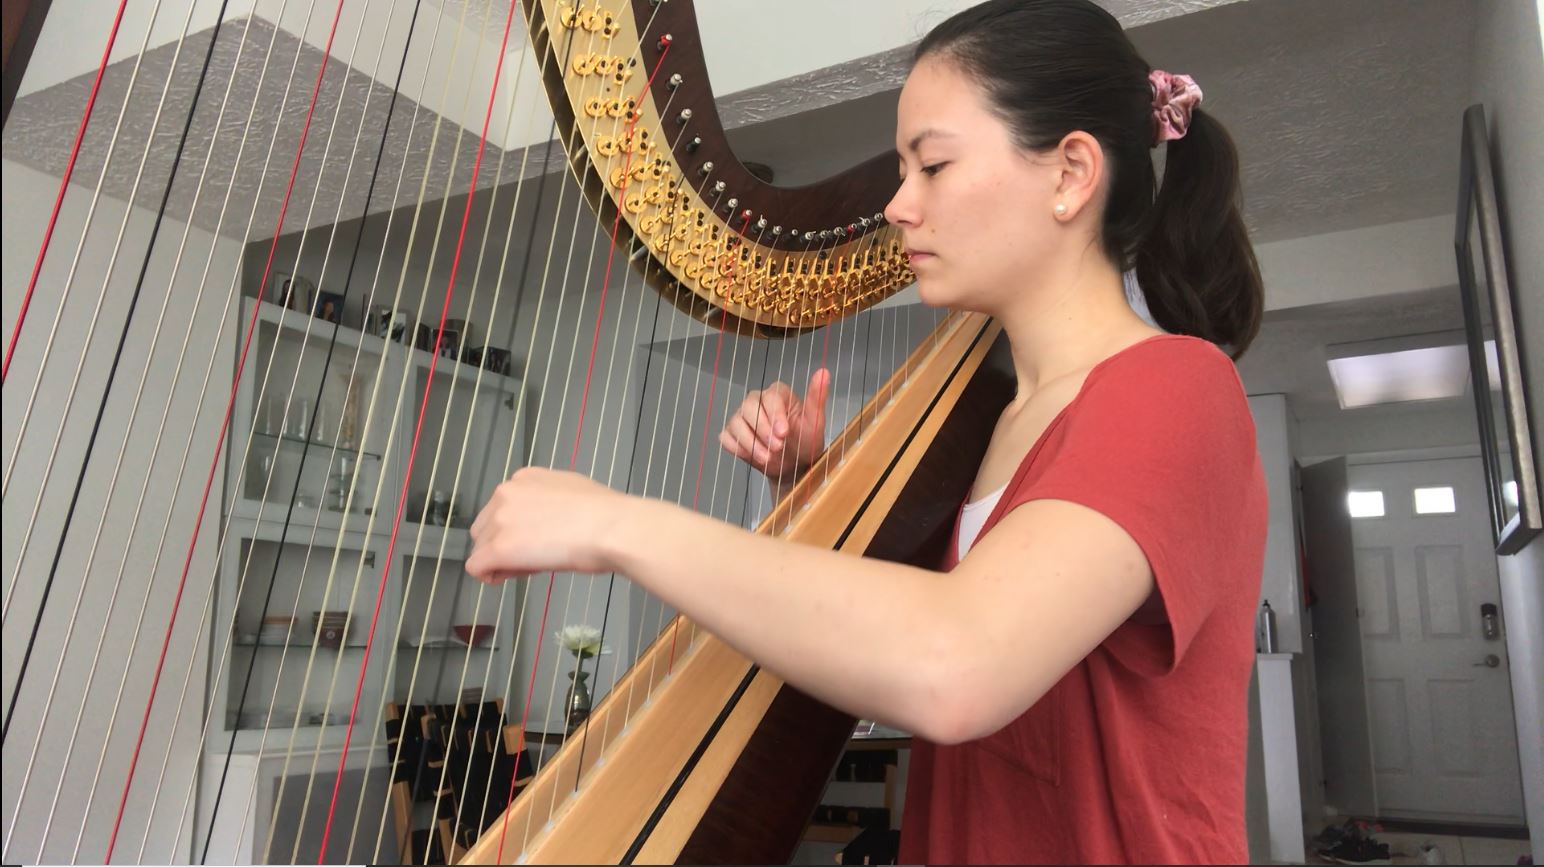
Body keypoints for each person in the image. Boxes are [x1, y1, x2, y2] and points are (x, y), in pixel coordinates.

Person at [467, 0, 1268, 862]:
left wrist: (616, 523)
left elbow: (955, 661)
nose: (897, 204)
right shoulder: (995, 422)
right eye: (902, 170)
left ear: (1071, 173)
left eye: (931, 165)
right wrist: (804, 489)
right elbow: (899, 640)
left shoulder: (1177, 388)